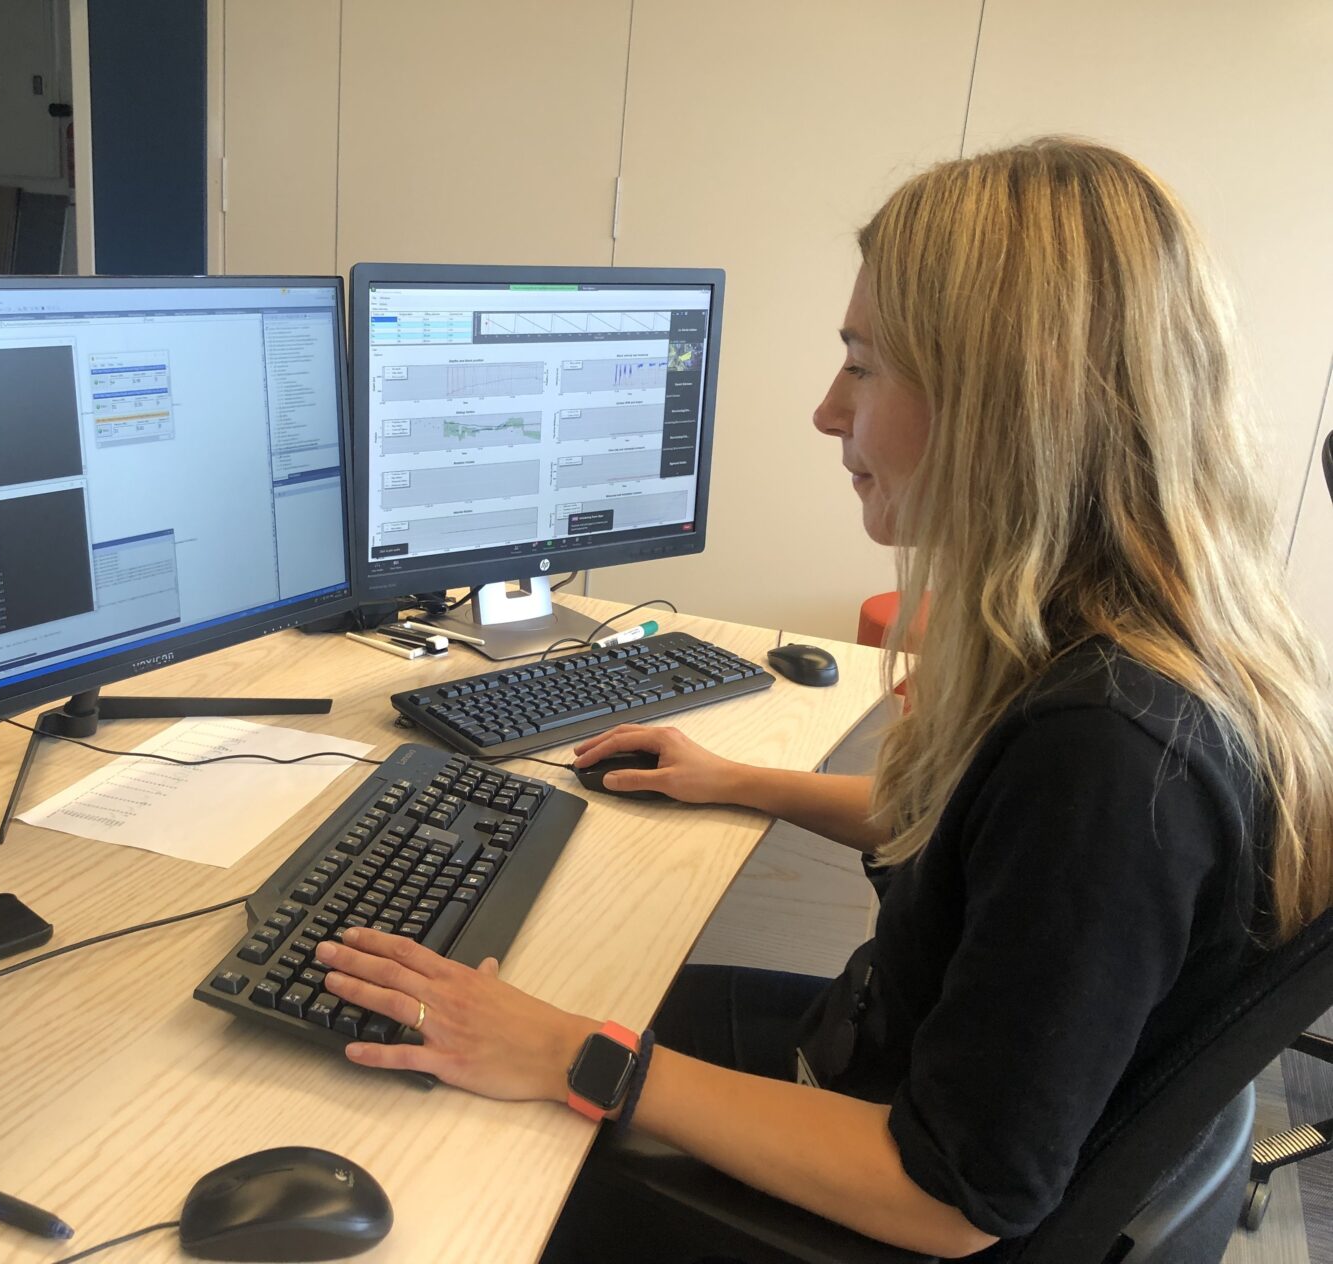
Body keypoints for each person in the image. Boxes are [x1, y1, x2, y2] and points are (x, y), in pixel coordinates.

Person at [315, 138, 1333, 1259]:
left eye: (861, 363)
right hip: (873, 1050)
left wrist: (571, 1054)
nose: (822, 411)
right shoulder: (1133, 638)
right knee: (561, 983)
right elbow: (986, 855)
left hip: (884, 1177)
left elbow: (947, 1199)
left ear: (1003, 398)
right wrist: (738, 781)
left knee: (438, 1122)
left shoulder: (1107, 757)